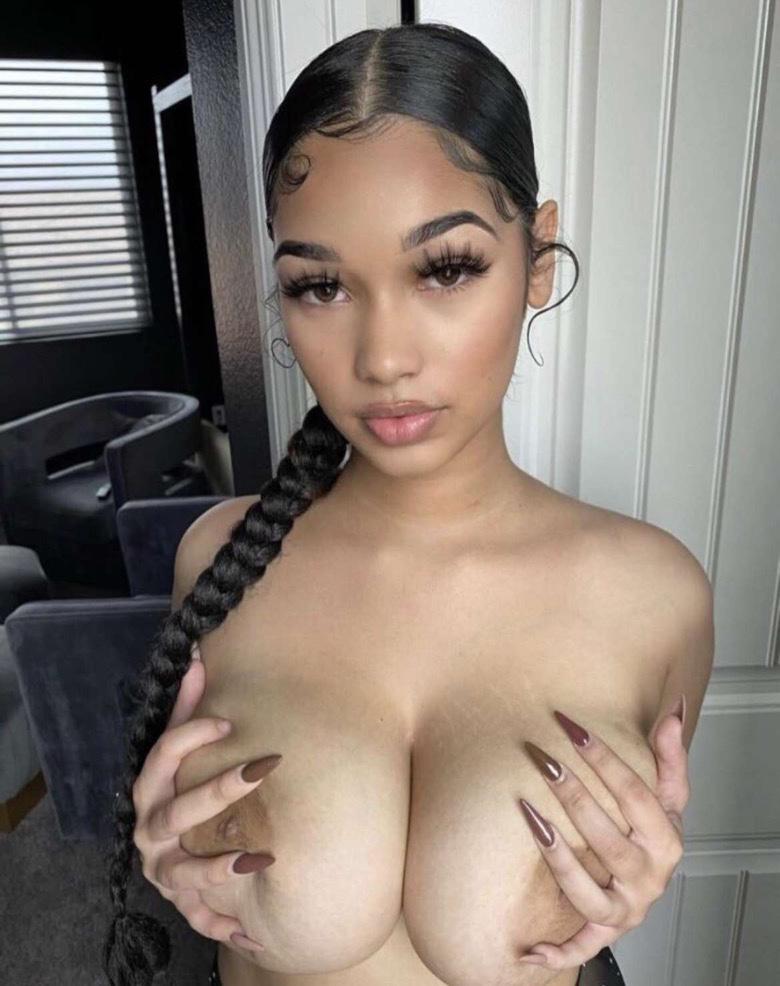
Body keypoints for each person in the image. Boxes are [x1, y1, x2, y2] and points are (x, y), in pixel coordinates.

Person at [102, 21, 714, 986]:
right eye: (320, 286)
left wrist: (631, 882)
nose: (384, 358)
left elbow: (621, 877)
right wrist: (168, 859)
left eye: (447, 268)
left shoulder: (656, 595)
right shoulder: (218, 557)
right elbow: (187, 852)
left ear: (537, 259)